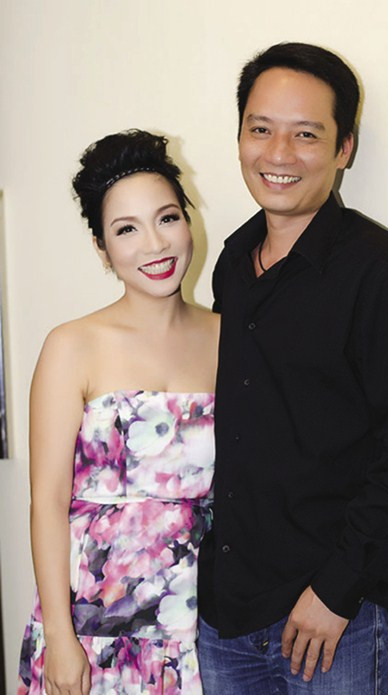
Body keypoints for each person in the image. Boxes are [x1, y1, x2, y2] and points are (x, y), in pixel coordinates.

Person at [197, 43, 388, 694]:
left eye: (305, 134)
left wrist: (337, 591)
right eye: (260, 129)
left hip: (335, 621)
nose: (278, 154)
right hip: (226, 619)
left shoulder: (380, 270)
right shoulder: (232, 265)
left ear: (344, 148)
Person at [18, 129, 219, 694]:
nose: (154, 244)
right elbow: (48, 503)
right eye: (126, 229)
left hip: (202, 632)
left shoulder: (231, 340)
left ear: (188, 222)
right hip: (92, 632)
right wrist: (60, 638)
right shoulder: (72, 346)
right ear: (102, 249)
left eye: (167, 218)